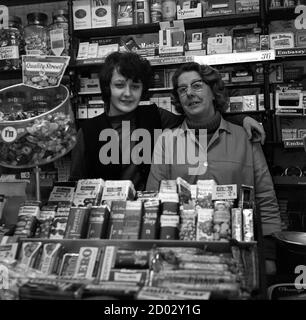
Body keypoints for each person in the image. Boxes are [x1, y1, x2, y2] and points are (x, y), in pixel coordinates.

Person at [145, 62, 281, 274]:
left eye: (197, 85)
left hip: (238, 254)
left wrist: (269, 254)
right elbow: (154, 200)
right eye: (182, 89)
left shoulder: (244, 137)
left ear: (213, 91)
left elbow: (264, 196)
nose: (189, 93)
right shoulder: (166, 141)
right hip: (182, 254)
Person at [70, 51, 265, 191]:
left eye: (135, 86)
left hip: (147, 216)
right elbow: (75, 184)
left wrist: (241, 119)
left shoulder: (156, 116)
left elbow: (199, 115)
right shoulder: (88, 132)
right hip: (102, 222)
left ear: (143, 90)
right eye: (120, 85)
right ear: (107, 87)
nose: (127, 93)